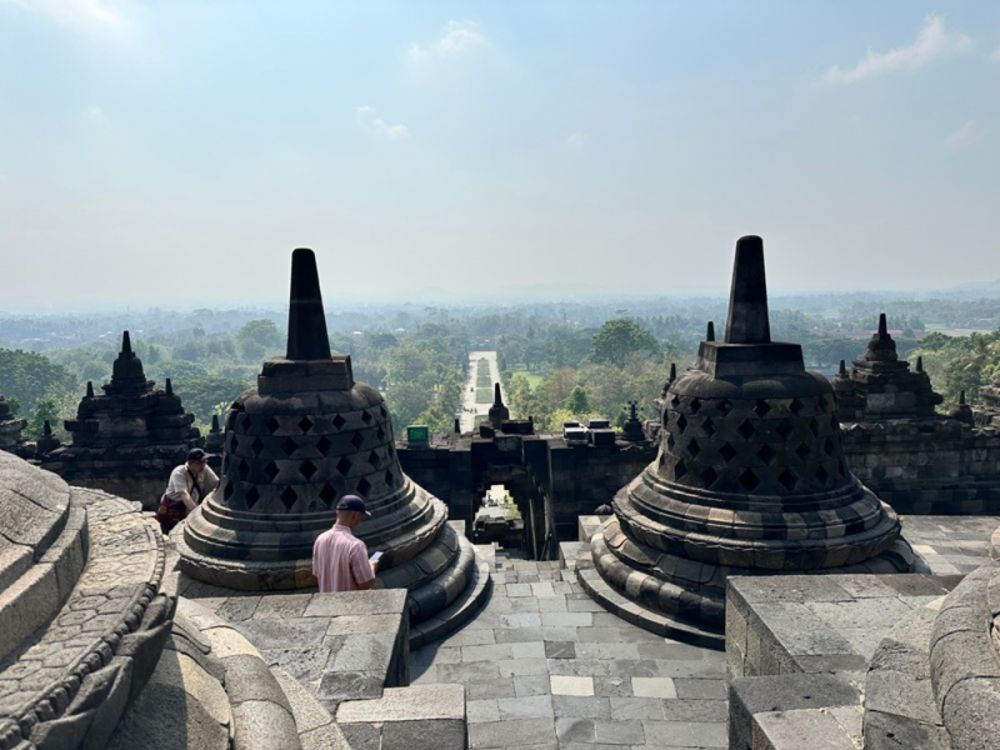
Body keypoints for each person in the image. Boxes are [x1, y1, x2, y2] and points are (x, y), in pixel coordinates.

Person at [312, 495, 379, 592]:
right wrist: (372, 567)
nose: (359, 521)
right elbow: (365, 584)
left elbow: (316, 574)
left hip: (326, 603)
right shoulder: (356, 546)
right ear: (354, 516)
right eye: (360, 517)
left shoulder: (320, 540)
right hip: (349, 605)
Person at [155, 448, 219, 535]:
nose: (202, 465)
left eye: (204, 461)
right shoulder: (179, 473)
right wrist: (197, 513)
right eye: (198, 463)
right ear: (190, 463)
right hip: (173, 510)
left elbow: (216, 483)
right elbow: (184, 494)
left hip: (188, 510)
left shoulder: (204, 468)